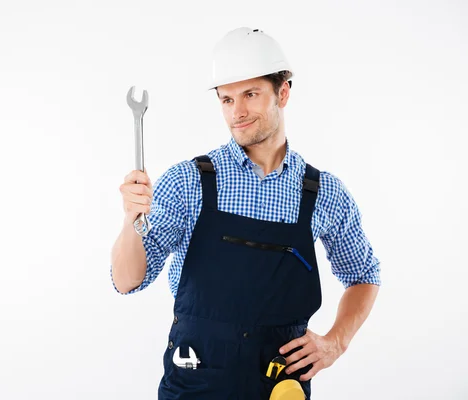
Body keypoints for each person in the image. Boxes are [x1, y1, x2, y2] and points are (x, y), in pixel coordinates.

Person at [110, 27, 380, 399]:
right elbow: (127, 281)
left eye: (250, 94)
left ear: (282, 92)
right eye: (226, 99)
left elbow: (364, 275)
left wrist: (335, 343)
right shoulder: (189, 182)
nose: (237, 112)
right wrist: (130, 220)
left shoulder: (324, 193)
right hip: (195, 382)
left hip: (278, 386)